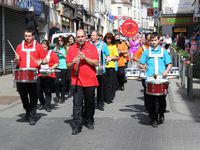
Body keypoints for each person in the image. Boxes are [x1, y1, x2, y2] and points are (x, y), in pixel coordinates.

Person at [66, 29, 99, 135]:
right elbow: (68, 66)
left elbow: (96, 62)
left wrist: (85, 58)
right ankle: (77, 125)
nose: (80, 39)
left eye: (82, 37)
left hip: (89, 80)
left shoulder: (91, 47)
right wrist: (73, 62)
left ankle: (89, 120)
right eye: (78, 37)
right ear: (76, 38)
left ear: (85, 37)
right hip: (77, 81)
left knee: (90, 103)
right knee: (77, 104)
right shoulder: (71, 49)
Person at [139, 32, 172, 128]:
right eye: (151, 40)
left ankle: (161, 113)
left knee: (162, 100)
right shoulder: (146, 52)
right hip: (150, 78)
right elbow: (140, 63)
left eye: (155, 40)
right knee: (151, 101)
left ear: (159, 40)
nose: (153, 42)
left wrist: (166, 71)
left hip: (162, 78)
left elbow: (169, 63)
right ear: (149, 41)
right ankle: (153, 118)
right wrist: (143, 66)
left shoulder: (163, 51)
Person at [15, 26, 46, 125]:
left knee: (33, 97)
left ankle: (32, 116)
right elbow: (17, 62)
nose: (27, 37)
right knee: (23, 96)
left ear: (33, 36)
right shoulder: (19, 46)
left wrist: (40, 61)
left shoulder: (38, 46)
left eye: (29, 36)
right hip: (22, 76)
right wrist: (16, 59)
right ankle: (27, 112)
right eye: (25, 36)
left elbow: (45, 59)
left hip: (34, 75)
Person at [91, 30, 110, 111]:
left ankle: (100, 103)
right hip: (91, 70)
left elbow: (108, 55)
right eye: (91, 35)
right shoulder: (89, 44)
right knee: (91, 89)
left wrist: (108, 59)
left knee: (100, 88)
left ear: (97, 37)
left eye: (93, 35)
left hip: (101, 70)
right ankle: (91, 104)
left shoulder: (103, 45)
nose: (92, 37)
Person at [37, 40, 59, 112]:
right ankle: (42, 103)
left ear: (47, 47)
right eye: (42, 47)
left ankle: (47, 105)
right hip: (40, 74)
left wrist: (50, 68)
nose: (43, 48)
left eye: (45, 47)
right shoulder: (39, 53)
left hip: (49, 74)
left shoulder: (51, 53)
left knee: (48, 90)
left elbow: (56, 63)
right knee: (38, 90)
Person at [133, 33, 151, 111]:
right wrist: (142, 61)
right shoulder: (142, 48)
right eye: (149, 39)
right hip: (144, 72)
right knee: (146, 89)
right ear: (146, 39)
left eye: (152, 39)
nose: (150, 41)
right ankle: (147, 106)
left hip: (155, 72)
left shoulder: (158, 48)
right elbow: (134, 57)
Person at [103, 32, 119, 104]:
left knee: (111, 83)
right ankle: (105, 96)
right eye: (107, 38)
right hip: (104, 66)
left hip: (111, 66)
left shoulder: (113, 46)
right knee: (105, 83)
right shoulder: (103, 45)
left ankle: (110, 97)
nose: (108, 40)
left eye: (110, 39)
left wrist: (111, 58)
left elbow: (117, 57)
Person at [53, 36, 68, 104]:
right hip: (57, 67)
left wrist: (61, 53)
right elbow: (52, 56)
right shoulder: (56, 48)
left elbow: (68, 57)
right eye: (59, 40)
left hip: (64, 67)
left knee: (63, 83)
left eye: (61, 40)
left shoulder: (66, 48)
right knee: (56, 82)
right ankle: (57, 96)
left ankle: (62, 97)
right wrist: (55, 54)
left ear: (64, 41)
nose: (60, 42)